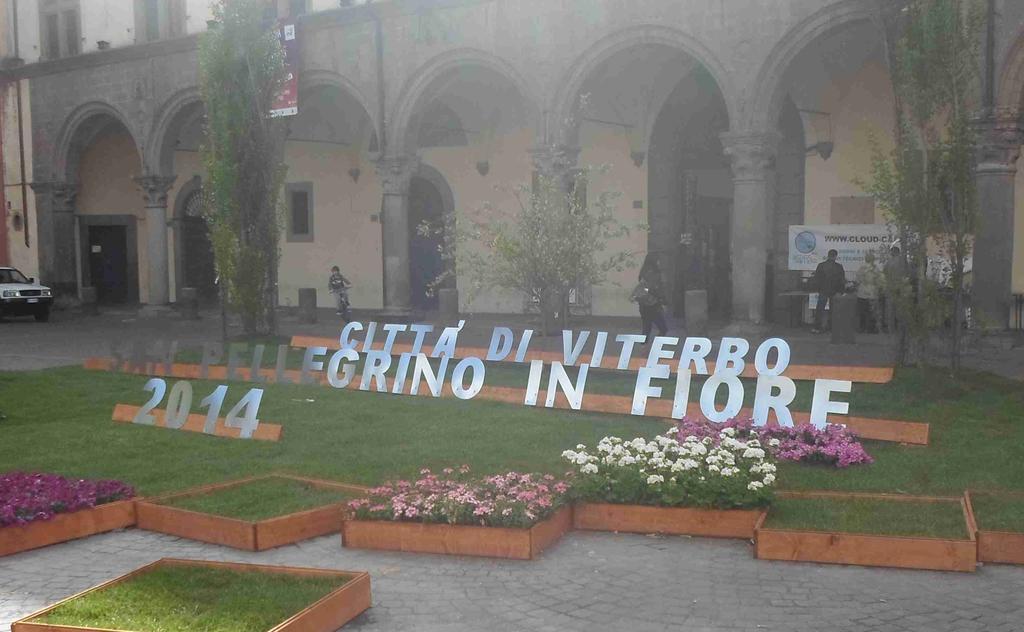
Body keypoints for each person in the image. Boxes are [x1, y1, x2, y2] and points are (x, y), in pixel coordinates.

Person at [633, 253, 668, 343]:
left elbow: (645, 287)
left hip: (644, 304)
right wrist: (662, 300)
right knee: (663, 328)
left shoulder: (643, 271)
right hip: (653, 304)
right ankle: (655, 345)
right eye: (658, 260)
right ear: (654, 261)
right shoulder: (655, 273)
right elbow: (654, 289)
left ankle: (643, 348)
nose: (659, 262)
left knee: (646, 327)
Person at [811, 249, 846, 334]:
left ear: (828, 255)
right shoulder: (839, 267)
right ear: (835, 256)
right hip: (834, 291)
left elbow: (816, 279)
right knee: (833, 310)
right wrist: (841, 291)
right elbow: (842, 280)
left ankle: (817, 328)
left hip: (823, 290)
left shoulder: (821, 265)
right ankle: (831, 328)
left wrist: (818, 289)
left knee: (819, 309)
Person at [856, 251, 881, 333]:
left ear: (866, 259)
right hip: (872, 293)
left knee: (862, 312)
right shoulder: (876, 269)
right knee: (872, 312)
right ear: (873, 260)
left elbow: (858, 280)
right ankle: (871, 329)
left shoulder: (861, 268)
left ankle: (862, 328)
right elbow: (878, 281)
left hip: (862, 293)